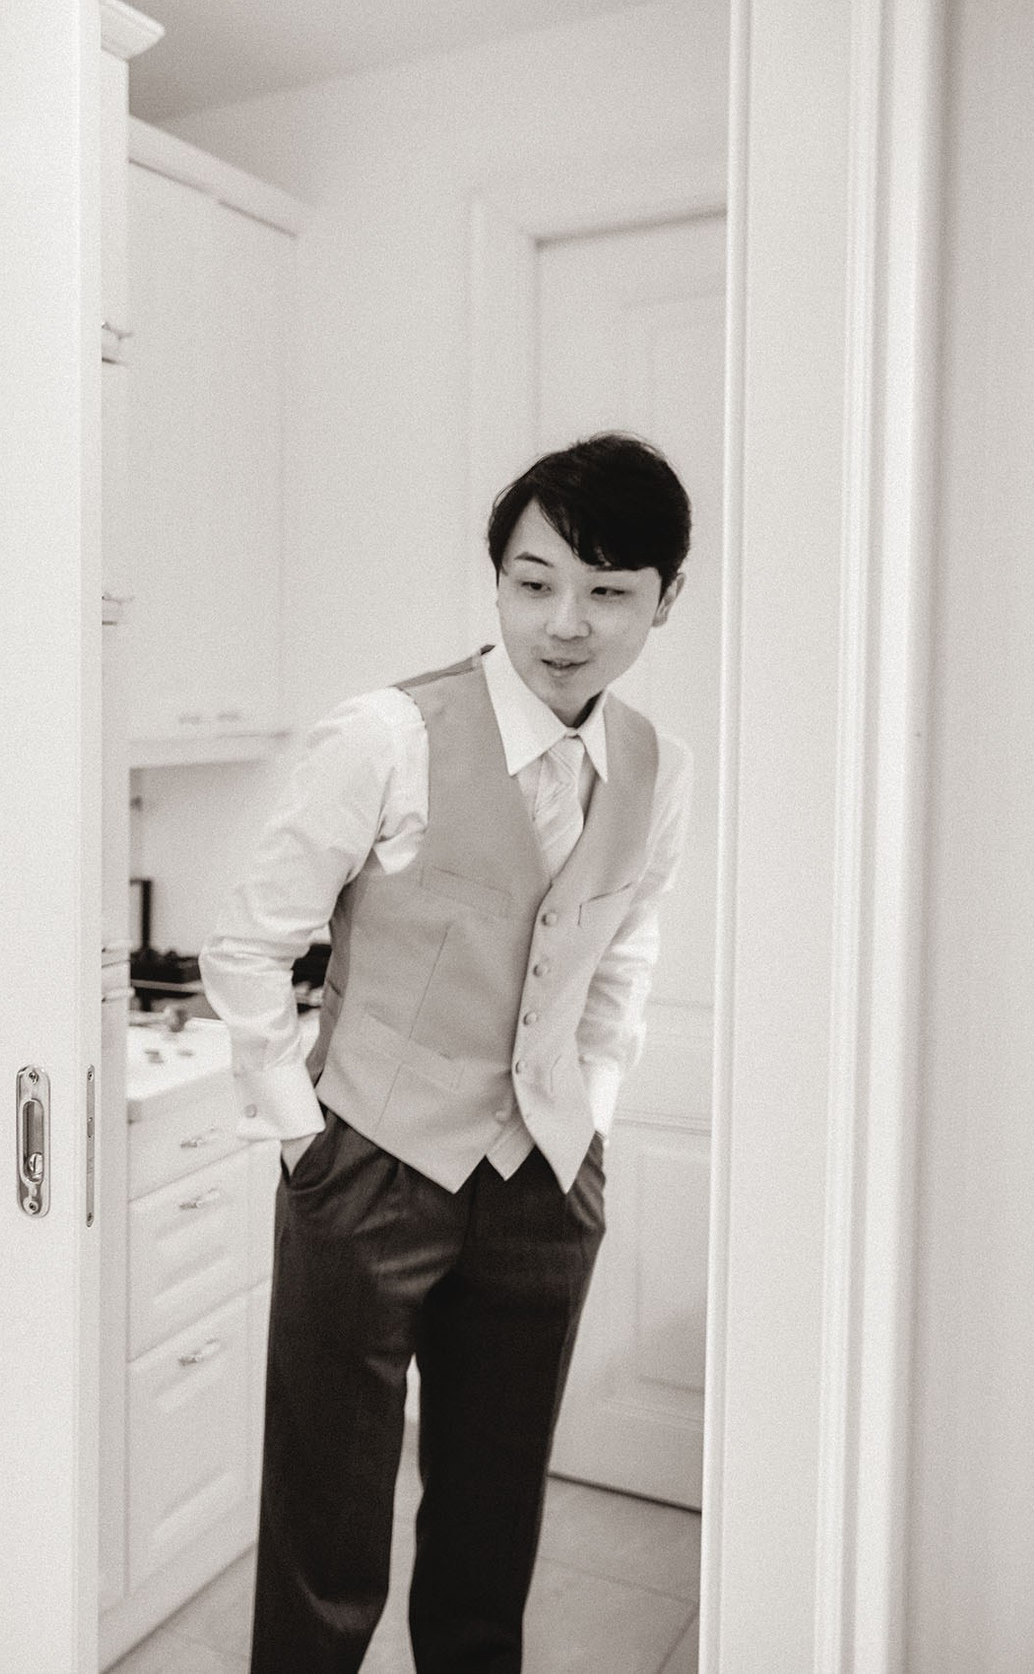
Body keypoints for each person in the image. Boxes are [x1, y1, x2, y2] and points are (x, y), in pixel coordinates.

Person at [201, 433, 695, 1672]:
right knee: (326, 1526)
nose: (565, 622)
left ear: (664, 599)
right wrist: (304, 1138)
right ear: (499, 583)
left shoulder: (657, 768)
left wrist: (590, 1116)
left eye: (607, 589)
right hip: (368, 1160)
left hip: (545, 1180)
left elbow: (621, 955)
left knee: (492, 1517)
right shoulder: (387, 734)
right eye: (533, 582)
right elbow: (250, 942)